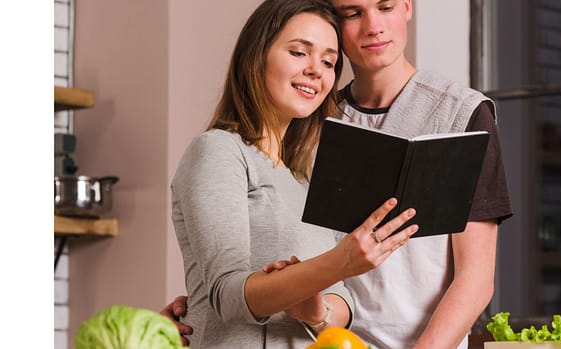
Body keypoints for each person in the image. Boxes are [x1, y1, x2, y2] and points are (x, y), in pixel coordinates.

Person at [163, 0, 513, 348]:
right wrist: (202, 298)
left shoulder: (461, 114)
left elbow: (476, 278)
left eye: (385, 7)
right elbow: (241, 276)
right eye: (352, 13)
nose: (373, 26)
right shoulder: (312, 128)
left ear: (407, 6)